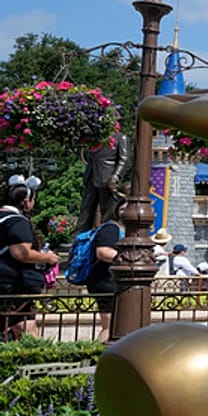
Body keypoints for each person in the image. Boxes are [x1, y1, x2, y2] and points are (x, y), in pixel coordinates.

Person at [0, 178, 60, 340]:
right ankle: (31, 358)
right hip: (13, 283)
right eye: (33, 200)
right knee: (20, 322)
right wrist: (48, 257)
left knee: (22, 324)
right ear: (25, 202)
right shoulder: (17, 221)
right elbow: (22, 253)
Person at [86, 200, 123, 342]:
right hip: (105, 282)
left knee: (116, 325)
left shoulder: (128, 231)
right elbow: (103, 252)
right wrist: (129, 259)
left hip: (116, 282)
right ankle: (98, 356)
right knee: (110, 326)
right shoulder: (111, 228)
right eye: (123, 208)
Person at [77, 131, 128, 232]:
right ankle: (78, 238)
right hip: (91, 176)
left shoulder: (121, 137)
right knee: (85, 210)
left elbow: (124, 159)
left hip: (107, 179)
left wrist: (116, 175)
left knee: (108, 211)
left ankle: (106, 236)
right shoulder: (95, 136)